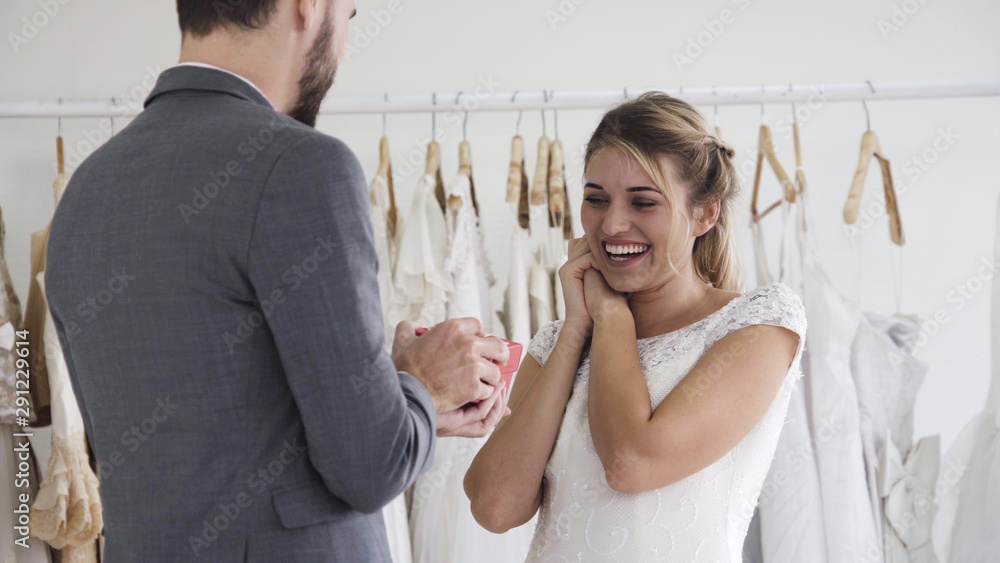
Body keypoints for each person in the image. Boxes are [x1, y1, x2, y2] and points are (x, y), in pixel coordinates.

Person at [43, 1, 509, 561]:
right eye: (351, 15)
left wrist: (398, 398)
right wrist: (423, 387)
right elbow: (370, 468)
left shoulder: (85, 193)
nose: (344, 44)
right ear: (308, 9)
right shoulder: (301, 167)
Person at [465, 92, 808, 562]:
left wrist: (609, 317)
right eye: (596, 200)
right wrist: (573, 334)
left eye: (643, 203)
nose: (612, 225)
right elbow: (494, 508)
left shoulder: (757, 323)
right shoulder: (556, 344)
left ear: (705, 213)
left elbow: (630, 464)